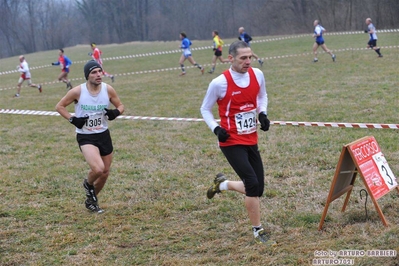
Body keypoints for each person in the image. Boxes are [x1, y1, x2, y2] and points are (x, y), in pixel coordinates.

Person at [200, 40, 276, 246]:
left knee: (258, 189)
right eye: (243, 58)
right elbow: (204, 109)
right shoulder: (219, 83)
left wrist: (263, 114)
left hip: (251, 137)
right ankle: (258, 230)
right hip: (231, 141)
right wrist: (216, 129)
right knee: (252, 184)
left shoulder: (257, 75)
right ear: (230, 58)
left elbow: (262, 96)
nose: (248, 61)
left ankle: (222, 185)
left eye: (250, 57)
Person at [55, 60, 124, 213]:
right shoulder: (77, 92)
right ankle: (88, 184)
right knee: (98, 169)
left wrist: (115, 113)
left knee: (105, 172)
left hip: (103, 135)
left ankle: (91, 200)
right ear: (87, 76)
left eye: (100, 71)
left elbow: (121, 106)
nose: (98, 75)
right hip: (86, 136)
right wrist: (73, 119)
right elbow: (59, 106)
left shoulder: (108, 89)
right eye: (94, 72)